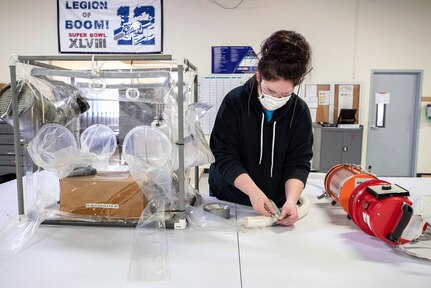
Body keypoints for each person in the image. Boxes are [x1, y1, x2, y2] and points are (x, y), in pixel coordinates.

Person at [208, 30, 313, 226]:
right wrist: (253, 192)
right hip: (230, 200)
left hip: (276, 204)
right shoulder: (235, 102)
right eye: (271, 91)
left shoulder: (299, 112)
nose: (277, 99)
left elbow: (298, 162)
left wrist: (291, 200)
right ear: (258, 76)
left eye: (285, 94)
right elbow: (224, 155)